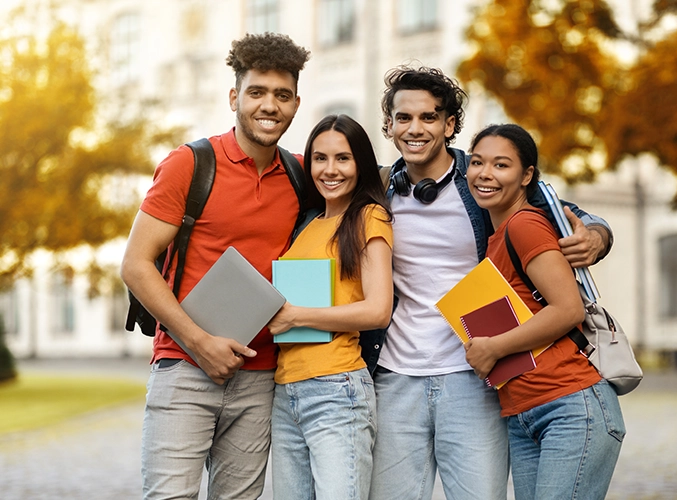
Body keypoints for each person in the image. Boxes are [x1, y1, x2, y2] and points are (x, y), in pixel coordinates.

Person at [368, 66, 614, 500]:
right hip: (396, 377)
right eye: (403, 118)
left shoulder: (481, 177)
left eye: (428, 117)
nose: (415, 128)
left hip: (476, 375)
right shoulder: (378, 189)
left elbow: (562, 212)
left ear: (449, 125)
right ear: (388, 125)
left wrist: (597, 234)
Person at [120, 33, 310, 499]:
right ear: (234, 97)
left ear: (296, 103)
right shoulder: (190, 164)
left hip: (262, 376)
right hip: (184, 368)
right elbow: (135, 264)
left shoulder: (304, 175)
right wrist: (200, 343)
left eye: (282, 95)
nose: (270, 105)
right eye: (257, 92)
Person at [464, 123, 625, 499]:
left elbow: (568, 310)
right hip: (524, 415)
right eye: (476, 163)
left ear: (527, 176)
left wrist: (493, 348)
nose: (485, 174)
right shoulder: (496, 239)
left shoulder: (525, 225)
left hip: (569, 408)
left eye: (501, 165)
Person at [267, 114, 393, 500]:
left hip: (337, 389)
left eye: (343, 158)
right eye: (319, 158)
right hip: (285, 390)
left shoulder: (370, 217)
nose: (330, 169)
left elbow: (378, 310)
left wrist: (297, 316)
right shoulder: (308, 224)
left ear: (361, 164)